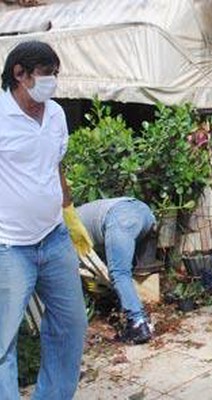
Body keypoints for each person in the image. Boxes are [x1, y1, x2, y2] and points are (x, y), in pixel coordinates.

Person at [0, 41, 90, 399]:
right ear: (19, 74)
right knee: (4, 339)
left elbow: (55, 165)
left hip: (53, 239)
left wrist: (69, 214)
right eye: (46, 73)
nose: (52, 80)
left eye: (55, 73)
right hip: (10, 246)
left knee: (70, 325)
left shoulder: (55, 115)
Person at [77, 197, 156, 344]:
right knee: (124, 270)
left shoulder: (64, 231)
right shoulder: (77, 215)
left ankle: (138, 323)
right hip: (144, 212)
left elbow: (81, 267)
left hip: (119, 216)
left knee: (119, 273)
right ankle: (142, 317)